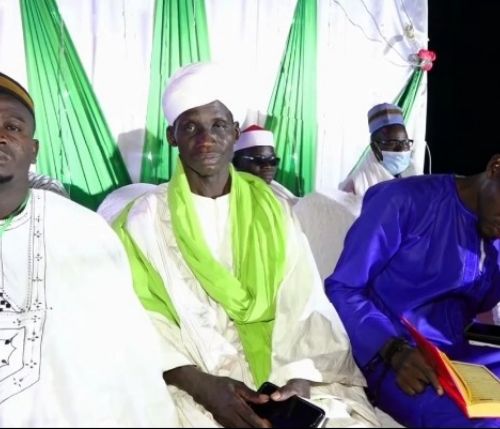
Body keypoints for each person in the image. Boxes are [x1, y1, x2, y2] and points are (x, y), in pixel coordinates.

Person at [113, 62, 379, 428]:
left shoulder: (272, 211)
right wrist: (203, 387)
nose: (206, 139)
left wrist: (300, 378)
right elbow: (141, 319)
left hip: (282, 368)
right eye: (190, 127)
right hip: (192, 377)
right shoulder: (143, 220)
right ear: (172, 137)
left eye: (218, 125)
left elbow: (303, 301)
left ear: (235, 132)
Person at [0, 71, 178, 426]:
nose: (0, 136)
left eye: (13, 127)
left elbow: (126, 358)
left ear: (34, 150)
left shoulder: (84, 232)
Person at [326, 156, 500, 427]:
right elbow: (343, 287)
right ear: (496, 167)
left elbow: (482, 301)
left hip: (458, 359)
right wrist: (394, 350)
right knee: (488, 423)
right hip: (397, 359)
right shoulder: (403, 200)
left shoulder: (492, 233)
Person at [339, 103, 414, 196]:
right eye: (392, 143)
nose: (401, 149)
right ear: (375, 147)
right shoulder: (356, 186)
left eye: (405, 142)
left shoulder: (414, 173)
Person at [233, 124, 298, 204]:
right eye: (259, 160)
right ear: (237, 162)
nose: (268, 166)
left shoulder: (281, 194)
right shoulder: (228, 195)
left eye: (273, 160)